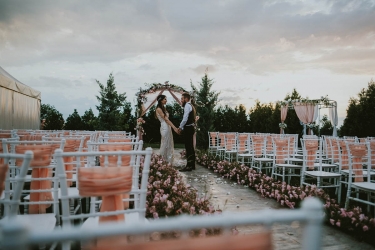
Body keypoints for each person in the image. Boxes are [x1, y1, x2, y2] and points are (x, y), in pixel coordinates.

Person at [155, 95, 179, 163]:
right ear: (161, 100)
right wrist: (174, 128)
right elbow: (166, 120)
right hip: (164, 127)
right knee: (165, 143)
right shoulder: (159, 109)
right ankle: (162, 160)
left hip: (167, 127)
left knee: (169, 143)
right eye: (165, 99)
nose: (166, 100)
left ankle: (168, 159)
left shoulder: (163, 108)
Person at [178, 93, 196, 172]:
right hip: (190, 127)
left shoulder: (187, 106)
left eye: (182, 99)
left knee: (188, 147)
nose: (181, 100)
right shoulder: (191, 105)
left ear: (186, 99)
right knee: (191, 147)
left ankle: (189, 166)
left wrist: (180, 127)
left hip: (188, 128)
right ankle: (192, 165)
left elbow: (185, 118)